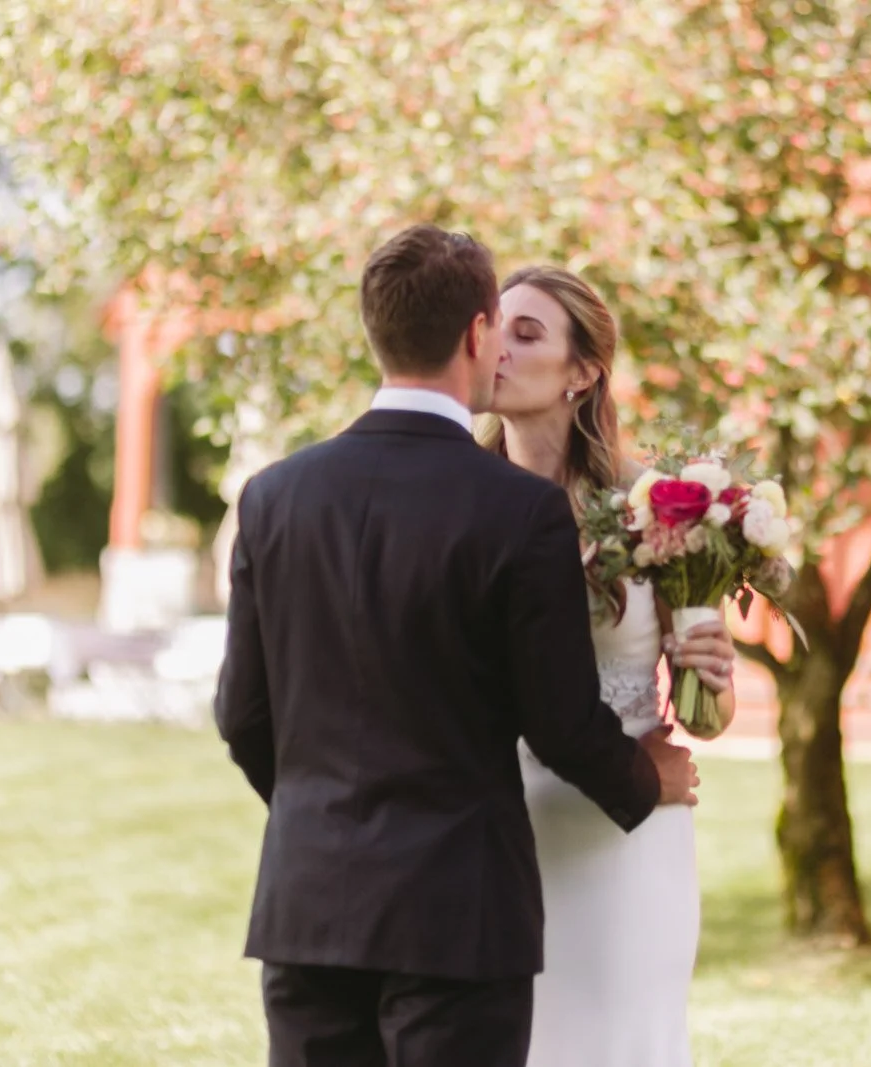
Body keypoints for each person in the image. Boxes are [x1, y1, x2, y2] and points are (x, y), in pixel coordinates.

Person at [214, 224, 699, 1067]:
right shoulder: (516, 510)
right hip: (458, 913)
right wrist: (641, 775)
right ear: (476, 333)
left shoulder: (272, 496)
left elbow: (242, 717)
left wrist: (324, 820)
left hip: (309, 903)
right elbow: (556, 719)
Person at [479, 266, 738, 1067]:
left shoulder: (654, 507)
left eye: (529, 335)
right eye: (496, 329)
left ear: (583, 371)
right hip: (495, 833)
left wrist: (713, 672)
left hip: (628, 837)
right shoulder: (463, 497)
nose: (500, 350)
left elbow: (706, 721)